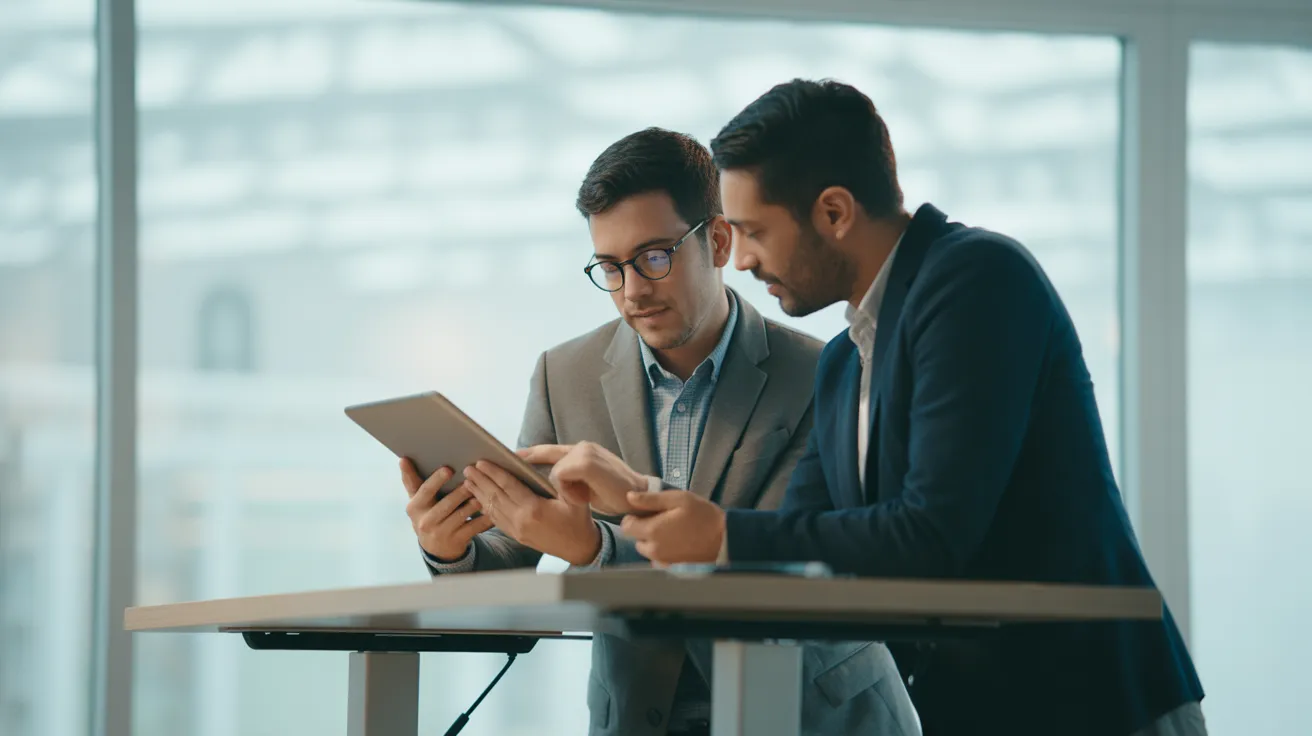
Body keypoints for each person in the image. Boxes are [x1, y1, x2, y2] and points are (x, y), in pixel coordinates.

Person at [517, 80, 1207, 736]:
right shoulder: (847, 361)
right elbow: (797, 551)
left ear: (835, 213)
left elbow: (931, 536)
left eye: (754, 231)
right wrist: (637, 500)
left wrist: (715, 532)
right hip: (973, 713)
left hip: (1087, 706)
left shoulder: (976, 280)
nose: (745, 260)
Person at [401, 127, 919, 736]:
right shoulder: (562, 376)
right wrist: (450, 548)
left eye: (654, 257)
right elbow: (512, 564)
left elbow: (786, 574)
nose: (633, 291)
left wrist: (596, 550)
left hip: (808, 713)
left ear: (719, 240)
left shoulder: (824, 372)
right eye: (610, 267)